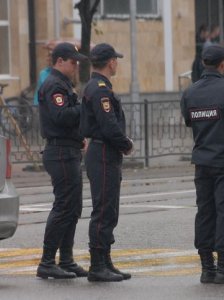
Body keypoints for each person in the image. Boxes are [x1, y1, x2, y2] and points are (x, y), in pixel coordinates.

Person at [180, 45, 224, 285]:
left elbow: (190, 122)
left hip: (202, 161)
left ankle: (206, 268)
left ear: (203, 63)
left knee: (205, 212)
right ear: (223, 64)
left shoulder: (190, 92)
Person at [80, 43, 134, 282]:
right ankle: (96, 265)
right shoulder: (100, 89)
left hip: (105, 152)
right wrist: (126, 143)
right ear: (111, 62)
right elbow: (108, 124)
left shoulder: (98, 87)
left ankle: (105, 260)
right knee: (103, 210)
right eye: (116, 60)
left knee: (110, 208)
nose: (117, 63)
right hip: (103, 152)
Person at [36, 42, 88, 279]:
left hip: (68, 150)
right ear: (59, 61)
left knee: (73, 207)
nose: (76, 65)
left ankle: (66, 259)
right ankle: (47, 261)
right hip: (60, 153)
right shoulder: (54, 85)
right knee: (64, 206)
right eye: (72, 61)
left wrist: (80, 137)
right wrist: (84, 108)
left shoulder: (63, 83)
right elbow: (61, 116)